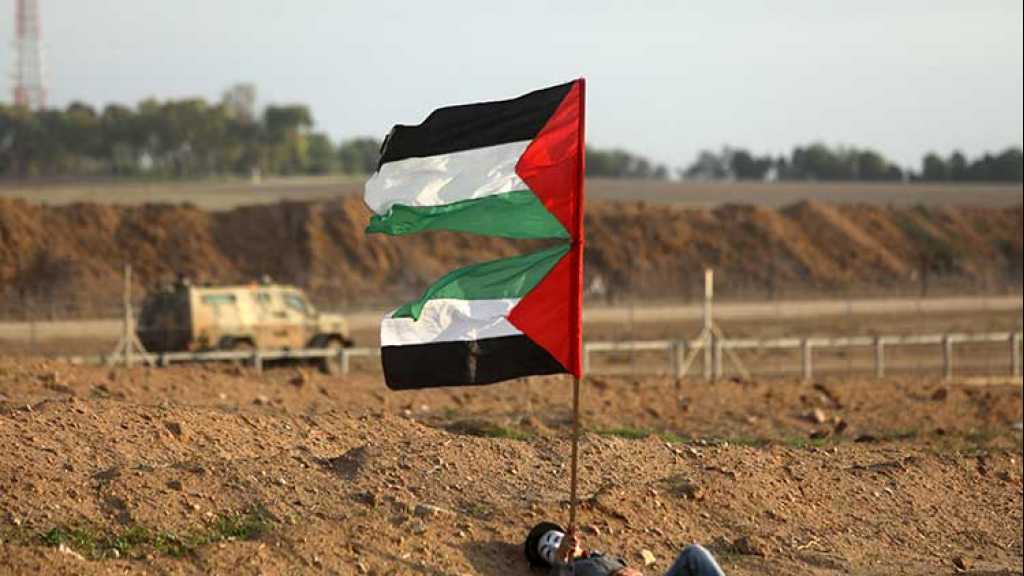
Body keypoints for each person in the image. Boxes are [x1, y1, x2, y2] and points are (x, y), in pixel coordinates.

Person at [524, 522, 725, 576]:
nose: (554, 547)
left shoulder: (599, 556)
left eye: (555, 540)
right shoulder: (566, 572)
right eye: (548, 551)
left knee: (694, 554)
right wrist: (561, 559)